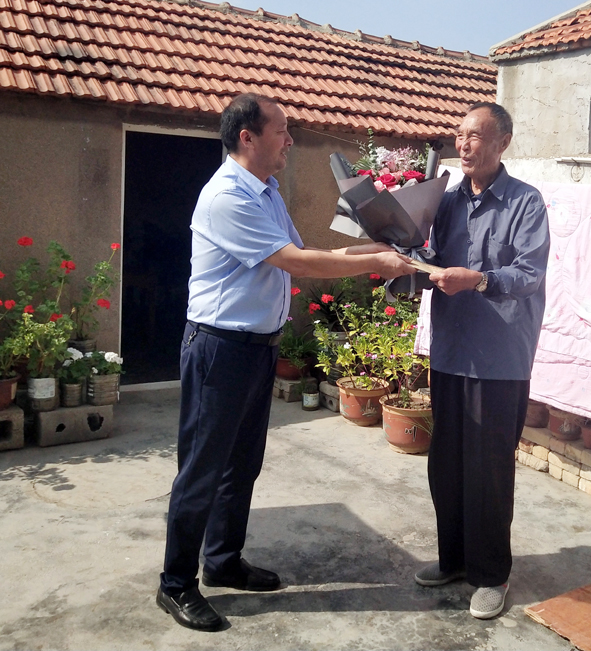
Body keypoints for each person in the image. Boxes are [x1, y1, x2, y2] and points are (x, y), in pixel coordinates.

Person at [156, 93, 415, 632]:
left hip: (257, 348)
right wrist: (375, 260)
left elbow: (315, 251)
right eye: (281, 131)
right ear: (247, 137)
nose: (290, 141)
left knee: (241, 464)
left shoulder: (267, 192)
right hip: (220, 349)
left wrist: (377, 252)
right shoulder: (227, 196)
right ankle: (175, 584)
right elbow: (295, 262)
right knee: (202, 469)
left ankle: (222, 561)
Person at [415, 102, 550, 619]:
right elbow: (431, 259)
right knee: (445, 464)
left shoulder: (525, 202)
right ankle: (454, 559)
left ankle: (492, 574)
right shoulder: (447, 202)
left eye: (475, 135)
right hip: (451, 350)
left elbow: (530, 272)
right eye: (460, 134)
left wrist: (480, 280)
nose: (464, 144)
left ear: (502, 142)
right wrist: (403, 255)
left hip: (498, 358)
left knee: (489, 470)